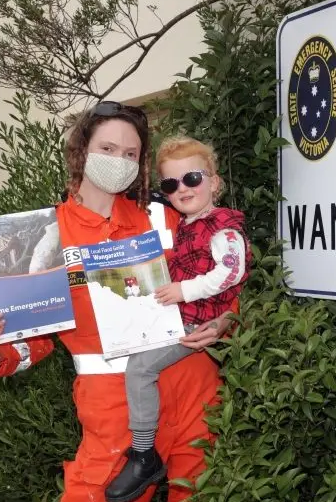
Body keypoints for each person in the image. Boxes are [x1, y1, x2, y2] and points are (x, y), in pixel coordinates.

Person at [0, 101, 235, 502]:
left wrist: (224, 322)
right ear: (81, 151)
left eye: (131, 154)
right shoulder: (47, 235)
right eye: (108, 149)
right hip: (112, 409)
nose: (119, 161)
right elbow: (33, 339)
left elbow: (225, 287)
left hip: (194, 392)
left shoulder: (164, 218)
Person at [106, 136, 251, 501]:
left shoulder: (222, 227)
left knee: (140, 370)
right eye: (171, 184)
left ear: (214, 182)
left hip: (195, 321)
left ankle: (143, 453)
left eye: (192, 179)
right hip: (182, 319)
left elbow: (231, 273)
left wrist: (184, 291)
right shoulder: (188, 225)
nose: (182, 189)